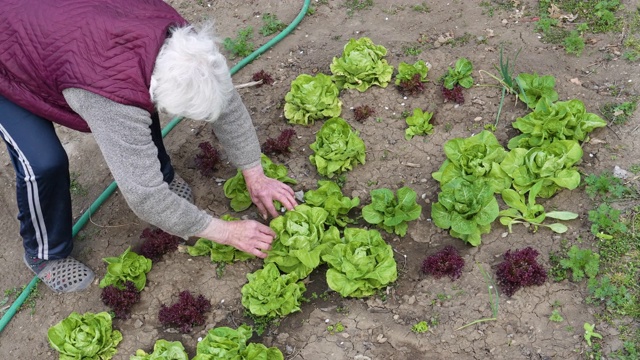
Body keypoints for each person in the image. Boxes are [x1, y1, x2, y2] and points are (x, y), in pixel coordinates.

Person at [0, 0, 297, 293]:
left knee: (136, 106)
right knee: (43, 162)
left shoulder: (186, 43)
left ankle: (164, 175)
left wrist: (255, 174)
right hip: (8, 51)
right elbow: (145, 196)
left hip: (56, 31)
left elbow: (226, 104)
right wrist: (226, 232)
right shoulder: (112, 99)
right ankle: (45, 253)